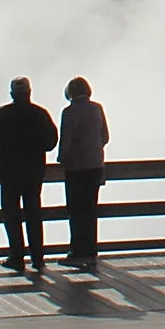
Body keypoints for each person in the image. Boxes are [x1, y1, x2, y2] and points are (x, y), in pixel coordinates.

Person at [0, 76, 58, 273]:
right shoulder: (40, 114)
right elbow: (51, 142)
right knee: (33, 212)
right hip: (33, 171)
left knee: (11, 214)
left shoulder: (1, 115)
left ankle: (16, 256)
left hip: (8, 172)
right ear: (29, 93)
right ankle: (38, 257)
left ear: (12, 94)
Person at [58, 76, 111, 270]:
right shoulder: (97, 108)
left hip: (76, 167)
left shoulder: (69, 112)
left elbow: (66, 140)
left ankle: (76, 251)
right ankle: (90, 250)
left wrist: (62, 158)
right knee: (90, 209)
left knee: (76, 210)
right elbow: (105, 136)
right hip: (96, 166)